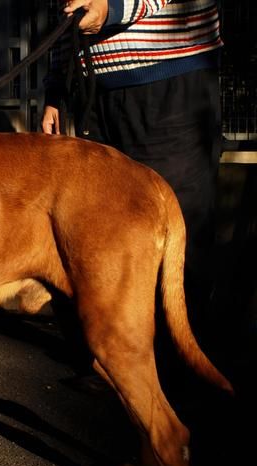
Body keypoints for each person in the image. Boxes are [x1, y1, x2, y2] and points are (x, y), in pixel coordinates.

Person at [42, 0, 224, 328]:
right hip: (95, 91)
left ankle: (186, 369)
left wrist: (113, 9)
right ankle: (123, 366)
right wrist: (56, 89)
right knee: (108, 238)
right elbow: (68, 9)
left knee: (180, 239)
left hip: (171, 80)